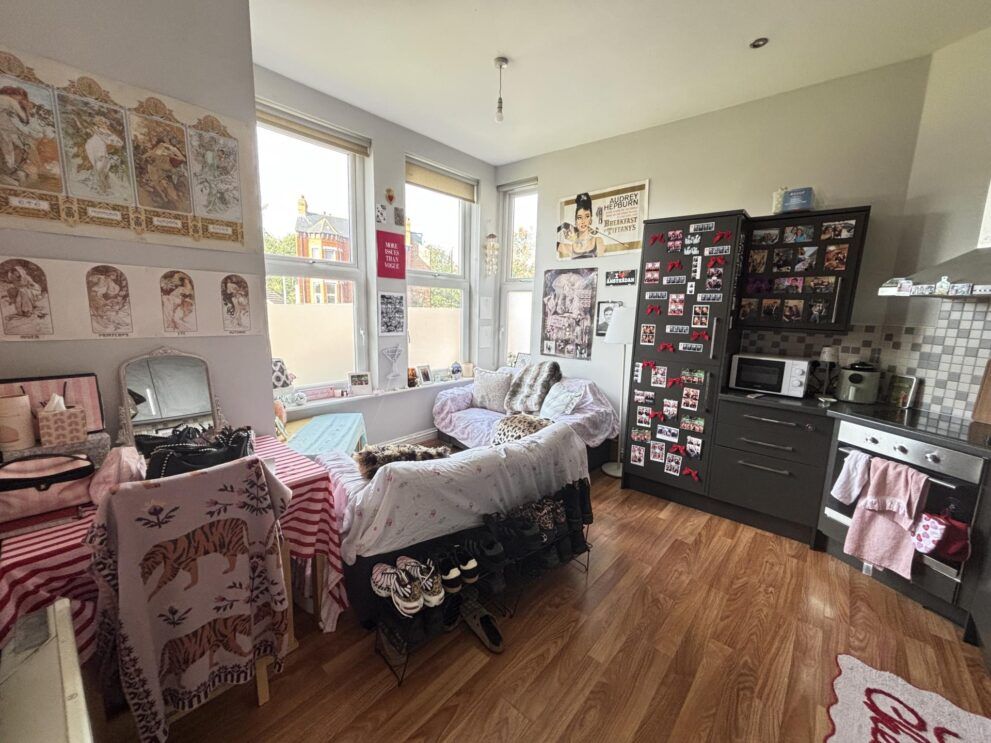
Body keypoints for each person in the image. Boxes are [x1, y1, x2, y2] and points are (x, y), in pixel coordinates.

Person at [570, 192, 605, 259]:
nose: (583, 221)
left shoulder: (598, 241)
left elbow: (601, 262)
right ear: (576, 221)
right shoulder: (572, 244)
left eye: (587, 216)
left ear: (590, 220)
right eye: (579, 217)